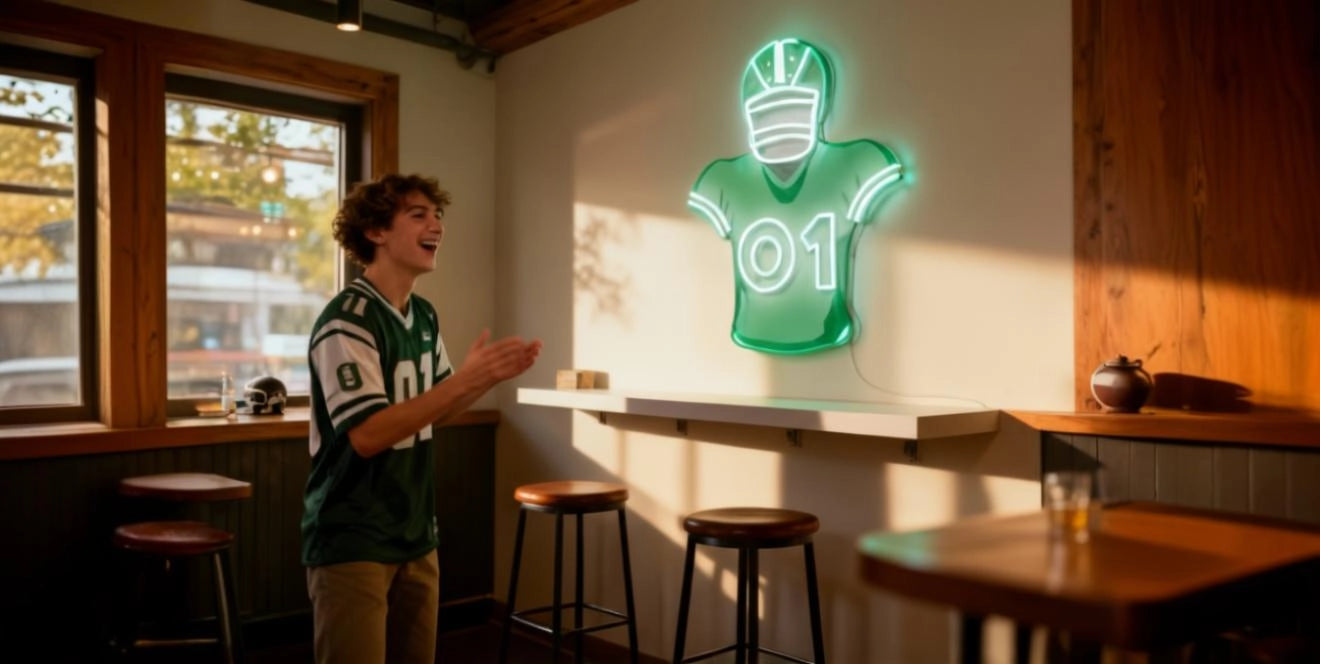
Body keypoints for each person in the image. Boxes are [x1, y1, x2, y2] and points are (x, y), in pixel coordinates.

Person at [301, 173, 541, 664]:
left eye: (438, 216)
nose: (437, 225)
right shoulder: (347, 320)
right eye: (419, 215)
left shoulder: (424, 315)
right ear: (376, 232)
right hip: (354, 536)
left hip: (414, 531)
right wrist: (465, 380)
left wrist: (482, 380)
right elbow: (368, 435)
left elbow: (435, 410)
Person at [687, 38, 904, 354]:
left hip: (826, 327)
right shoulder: (722, 180)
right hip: (751, 328)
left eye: (791, 107)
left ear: (818, 107)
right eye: (768, 113)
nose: (780, 126)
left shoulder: (856, 163)